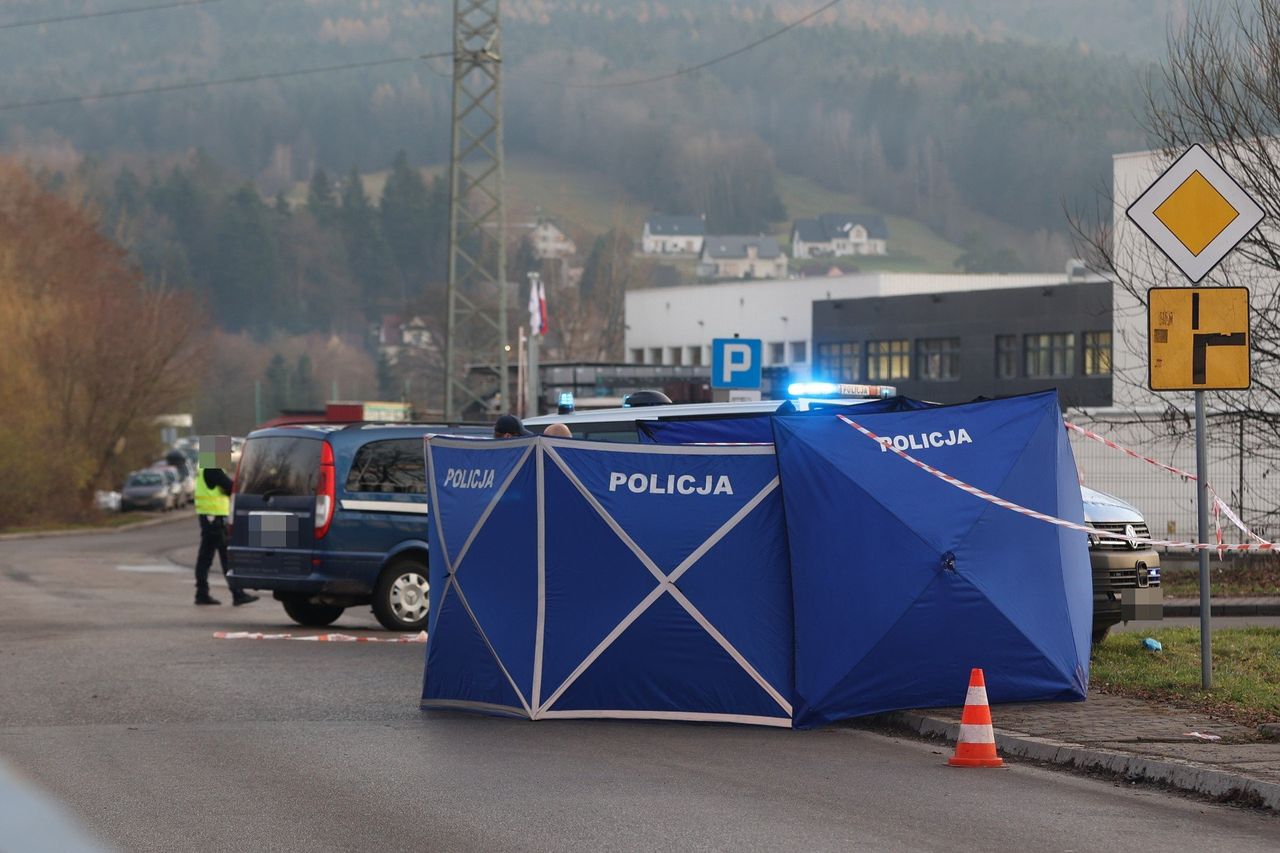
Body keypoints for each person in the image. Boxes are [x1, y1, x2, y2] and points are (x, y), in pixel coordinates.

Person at [193, 435, 257, 607]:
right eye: (225, 453)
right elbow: (231, 488)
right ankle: (237, 594)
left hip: (210, 518)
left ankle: (202, 593)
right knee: (225, 557)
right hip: (214, 520)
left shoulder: (206, 468)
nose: (227, 456)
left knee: (206, 557)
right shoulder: (213, 470)